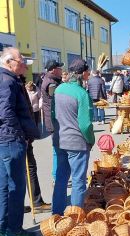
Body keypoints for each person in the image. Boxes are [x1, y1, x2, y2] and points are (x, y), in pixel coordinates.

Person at [0, 47, 40, 236]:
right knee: (15, 185)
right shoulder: (7, 81)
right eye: (21, 61)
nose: (24, 65)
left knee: (6, 185)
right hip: (10, 139)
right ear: (9, 62)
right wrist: (20, 134)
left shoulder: (8, 79)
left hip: (6, 138)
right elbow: (5, 112)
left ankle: (4, 227)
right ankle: (13, 229)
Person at [52, 58, 95, 215]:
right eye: (87, 72)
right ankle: (76, 218)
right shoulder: (82, 94)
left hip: (59, 140)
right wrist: (91, 140)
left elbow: (52, 116)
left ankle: (56, 215)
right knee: (78, 181)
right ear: (83, 73)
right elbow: (85, 124)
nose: (88, 74)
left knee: (61, 180)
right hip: (77, 143)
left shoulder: (58, 89)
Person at [21, 77, 51, 214]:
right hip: (17, 136)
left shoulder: (14, 83)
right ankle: (36, 202)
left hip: (20, 135)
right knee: (28, 169)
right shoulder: (9, 84)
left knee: (20, 171)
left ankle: (18, 204)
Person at [41, 59, 64, 183]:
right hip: (54, 121)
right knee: (57, 150)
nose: (61, 70)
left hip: (53, 119)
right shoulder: (51, 83)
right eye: (59, 68)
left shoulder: (52, 80)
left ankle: (57, 175)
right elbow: (58, 100)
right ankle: (56, 176)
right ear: (54, 70)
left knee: (58, 149)